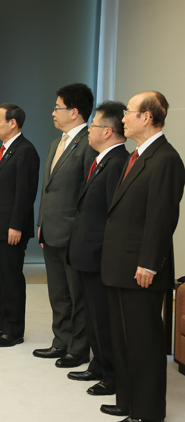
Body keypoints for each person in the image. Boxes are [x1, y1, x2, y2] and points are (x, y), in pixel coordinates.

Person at [100, 91, 185, 422]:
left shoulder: (166, 159)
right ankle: (128, 400)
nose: (123, 118)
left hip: (141, 269)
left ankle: (148, 412)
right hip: (121, 264)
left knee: (144, 343)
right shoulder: (138, 156)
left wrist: (149, 264)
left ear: (147, 117)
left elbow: (161, 218)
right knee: (122, 338)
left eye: (129, 113)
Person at [66, 101, 129, 395]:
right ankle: (97, 365)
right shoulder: (102, 159)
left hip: (99, 254)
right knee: (92, 314)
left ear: (107, 131)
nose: (89, 130)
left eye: (93, 125)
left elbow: (114, 216)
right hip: (86, 251)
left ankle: (111, 375)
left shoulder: (118, 163)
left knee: (104, 318)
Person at [34, 83, 98, 368]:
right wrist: (41, 223)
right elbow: (47, 189)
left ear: (74, 112)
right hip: (51, 230)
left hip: (73, 234)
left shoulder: (89, 144)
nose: (52, 113)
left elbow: (89, 194)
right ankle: (60, 341)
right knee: (58, 292)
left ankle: (78, 349)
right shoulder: (55, 143)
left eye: (58, 107)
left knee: (77, 295)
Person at [0, 103, 39, 347]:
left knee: (11, 280)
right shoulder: (4, 149)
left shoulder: (26, 151)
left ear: (12, 123)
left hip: (11, 228)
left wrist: (16, 225)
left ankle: (14, 331)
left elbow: (25, 194)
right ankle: (0, 325)